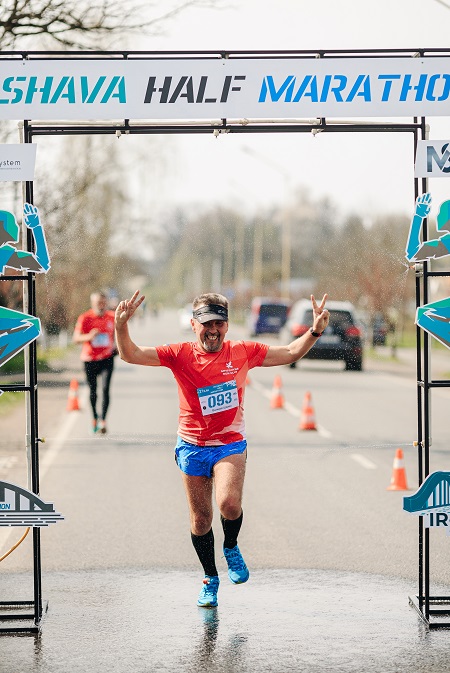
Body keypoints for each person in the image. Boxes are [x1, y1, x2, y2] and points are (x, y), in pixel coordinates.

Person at [114, 290, 329, 608]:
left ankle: (231, 545)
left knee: (228, 503)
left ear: (227, 325)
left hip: (229, 443)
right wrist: (121, 327)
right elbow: (130, 354)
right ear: (192, 324)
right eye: (206, 323)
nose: (213, 329)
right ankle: (210, 578)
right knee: (200, 520)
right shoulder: (178, 354)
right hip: (191, 445)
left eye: (219, 323)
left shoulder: (243, 351)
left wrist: (315, 330)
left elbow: (289, 352)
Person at [73, 292, 116, 434]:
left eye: (103, 302)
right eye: (98, 303)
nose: (101, 306)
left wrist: (117, 346)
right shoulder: (85, 317)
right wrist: (89, 336)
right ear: (93, 303)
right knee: (93, 391)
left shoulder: (112, 316)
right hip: (90, 359)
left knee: (105, 389)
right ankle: (94, 418)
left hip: (107, 358)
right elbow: (76, 338)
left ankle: (103, 420)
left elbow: (117, 335)